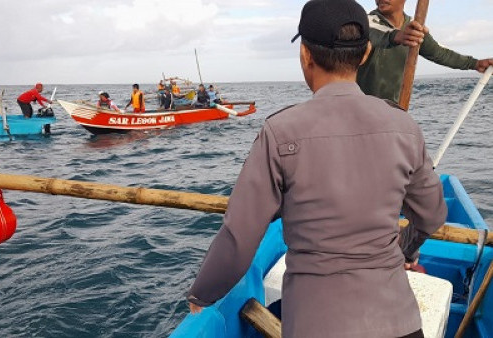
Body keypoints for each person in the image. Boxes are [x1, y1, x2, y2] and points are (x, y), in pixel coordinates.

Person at [187, 0, 447, 337]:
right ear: (366, 53)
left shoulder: (280, 131)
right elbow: (431, 215)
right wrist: (403, 248)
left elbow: (239, 236)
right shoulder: (404, 126)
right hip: (400, 324)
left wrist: (202, 292)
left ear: (305, 55)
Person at [357, 0, 493, 103]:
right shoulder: (364, 23)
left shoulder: (414, 28)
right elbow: (375, 34)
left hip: (396, 111)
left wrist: (475, 64)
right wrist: (398, 36)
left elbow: (439, 53)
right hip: (362, 108)